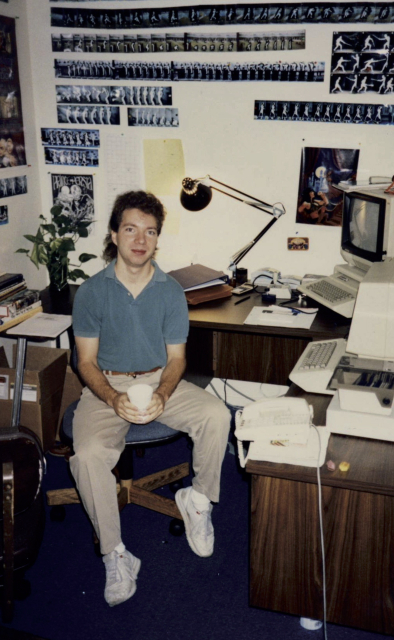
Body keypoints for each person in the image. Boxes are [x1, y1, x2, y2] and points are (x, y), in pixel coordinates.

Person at [70, 191, 231, 607]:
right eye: (130, 229)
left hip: (160, 380)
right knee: (86, 455)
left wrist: (162, 393)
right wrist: (110, 397)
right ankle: (116, 554)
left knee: (217, 414)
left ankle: (196, 501)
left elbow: (178, 359)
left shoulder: (170, 291)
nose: (140, 240)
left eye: (150, 232)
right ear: (114, 234)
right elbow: (85, 361)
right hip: (106, 385)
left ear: (157, 239)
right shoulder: (91, 292)